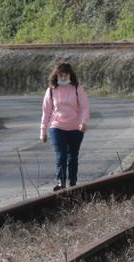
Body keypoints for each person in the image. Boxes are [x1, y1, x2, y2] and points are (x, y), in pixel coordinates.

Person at [40, 62, 90, 191]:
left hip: (76, 127)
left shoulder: (77, 88)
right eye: (60, 75)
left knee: (72, 157)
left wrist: (84, 122)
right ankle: (60, 182)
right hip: (57, 127)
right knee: (61, 155)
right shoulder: (51, 90)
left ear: (70, 75)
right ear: (56, 75)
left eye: (66, 75)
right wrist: (43, 132)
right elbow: (46, 112)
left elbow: (85, 107)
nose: (63, 78)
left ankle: (72, 183)